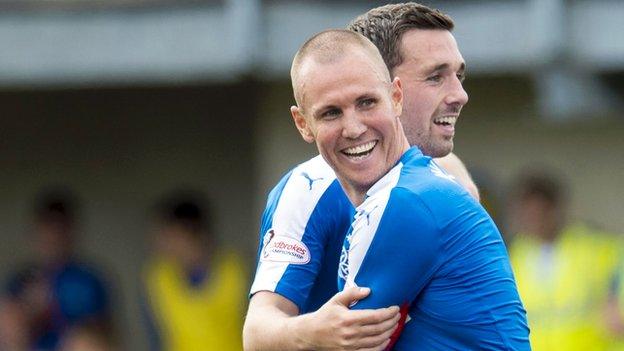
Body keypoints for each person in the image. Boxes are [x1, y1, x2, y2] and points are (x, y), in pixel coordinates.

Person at [243, 3, 477, 350]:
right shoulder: (311, 188)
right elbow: (257, 331)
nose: (459, 95)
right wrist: (313, 332)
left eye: (459, 75)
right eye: (435, 77)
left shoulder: (451, 180)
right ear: (390, 86)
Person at [290, 28, 530, 349]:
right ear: (303, 124)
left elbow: (354, 345)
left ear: (396, 98)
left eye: (367, 102)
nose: (354, 128)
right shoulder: (414, 186)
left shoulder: (405, 201)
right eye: (331, 112)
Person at [507, 170, 623, 350]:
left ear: (556, 208)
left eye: (540, 212)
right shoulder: (514, 257)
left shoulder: (594, 248)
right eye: (527, 213)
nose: (534, 219)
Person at [0, 189, 112, 351]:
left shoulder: (89, 280)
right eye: (47, 230)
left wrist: (53, 307)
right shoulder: (19, 280)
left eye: (58, 231)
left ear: (70, 232)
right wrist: (27, 313)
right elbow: (8, 332)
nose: (52, 238)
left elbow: (103, 333)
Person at [141, 193, 246, 351]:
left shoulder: (239, 269)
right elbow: (154, 338)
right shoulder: (157, 277)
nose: (162, 244)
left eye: (170, 236)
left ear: (196, 233)